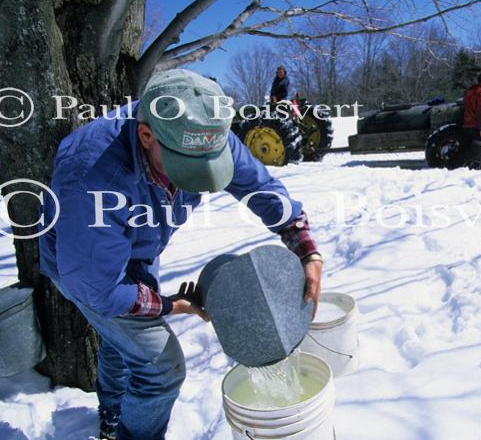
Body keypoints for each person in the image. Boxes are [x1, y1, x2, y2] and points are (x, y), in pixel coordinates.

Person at [38, 69, 323, 440]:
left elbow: (262, 188)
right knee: (160, 368)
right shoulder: (93, 175)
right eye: (185, 168)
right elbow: (99, 287)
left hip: (135, 246)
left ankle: (113, 413)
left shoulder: (204, 128)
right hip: (82, 267)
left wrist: (306, 248)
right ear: (146, 135)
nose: (195, 177)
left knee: (119, 340)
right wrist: (170, 306)